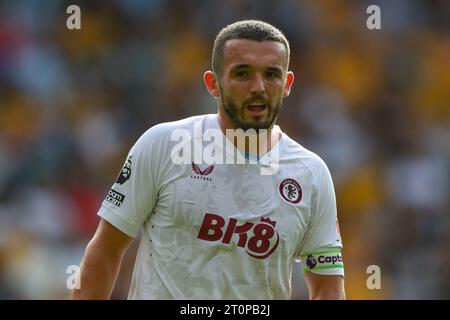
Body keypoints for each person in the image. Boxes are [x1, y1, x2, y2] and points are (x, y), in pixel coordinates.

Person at [72, 20, 345, 300]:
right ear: (213, 84)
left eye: (271, 74)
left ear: (287, 84)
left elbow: (327, 287)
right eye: (243, 74)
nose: (259, 87)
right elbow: (106, 250)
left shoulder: (311, 174)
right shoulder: (163, 145)